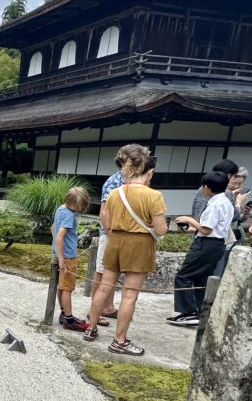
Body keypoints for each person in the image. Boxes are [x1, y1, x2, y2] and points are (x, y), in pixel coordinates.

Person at [85, 144, 168, 356]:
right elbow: (161, 229)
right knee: (129, 294)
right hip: (138, 244)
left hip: (115, 240)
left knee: (103, 286)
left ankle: (91, 328)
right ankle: (119, 340)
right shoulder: (153, 196)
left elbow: (108, 222)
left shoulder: (114, 193)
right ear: (149, 172)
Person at [166, 172, 234, 326]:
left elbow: (206, 229)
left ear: (207, 187)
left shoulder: (215, 204)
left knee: (183, 276)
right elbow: (213, 228)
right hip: (216, 244)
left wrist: (189, 220)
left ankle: (188, 311)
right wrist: (192, 228)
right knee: (201, 278)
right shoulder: (225, 202)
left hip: (206, 244)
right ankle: (200, 311)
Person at [52, 187, 92, 332]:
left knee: (62, 287)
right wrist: (62, 259)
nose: (80, 209)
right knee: (68, 288)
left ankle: (64, 314)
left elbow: (53, 229)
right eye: (80, 206)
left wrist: (57, 253)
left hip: (60, 254)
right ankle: (69, 319)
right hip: (68, 256)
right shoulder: (69, 215)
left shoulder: (60, 209)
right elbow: (60, 236)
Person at [93, 151, 126, 320]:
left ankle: (107, 306)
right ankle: (96, 310)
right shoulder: (115, 181)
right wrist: (109, 232)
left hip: (119, 234)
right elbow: (104, 212)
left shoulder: (126, 181)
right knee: (101, 271)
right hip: (111, 233)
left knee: (112, 271)